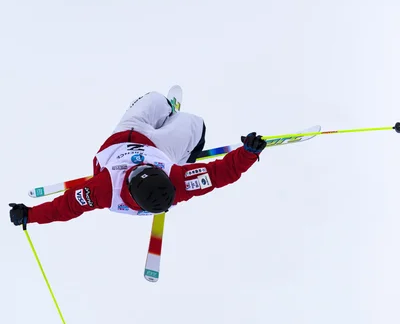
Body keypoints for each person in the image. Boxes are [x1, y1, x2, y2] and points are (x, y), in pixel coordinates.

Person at [9, 91, 266, 226]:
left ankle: (176, 131)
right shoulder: (180, 182)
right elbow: (219, 174)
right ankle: (179, 134)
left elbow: (64, 207)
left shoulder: (102, 189)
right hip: (157, 148)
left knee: (174, 112)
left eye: (139, 170)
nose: (137, 166)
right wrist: (247, 154)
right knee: (176, 112)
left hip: (128, 139)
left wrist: (30, 215)